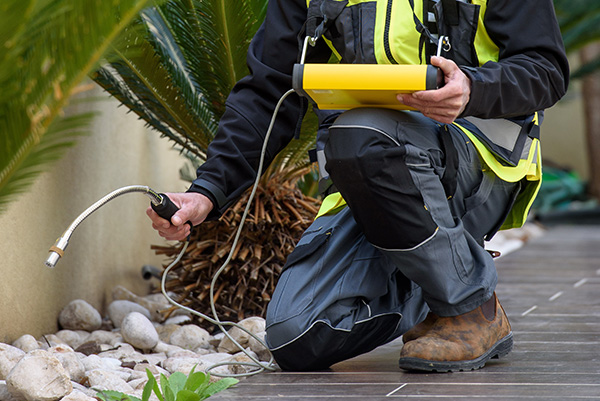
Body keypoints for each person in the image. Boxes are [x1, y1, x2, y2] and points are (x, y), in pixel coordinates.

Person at [147, 0, 569, 372]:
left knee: (364, 137)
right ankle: (441, 274)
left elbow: (545, 70)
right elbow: (267, 92)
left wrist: (473, 89)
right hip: (370, 173)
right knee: (297, 336)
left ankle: (470, 309)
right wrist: (207, 191)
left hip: (480, 171)